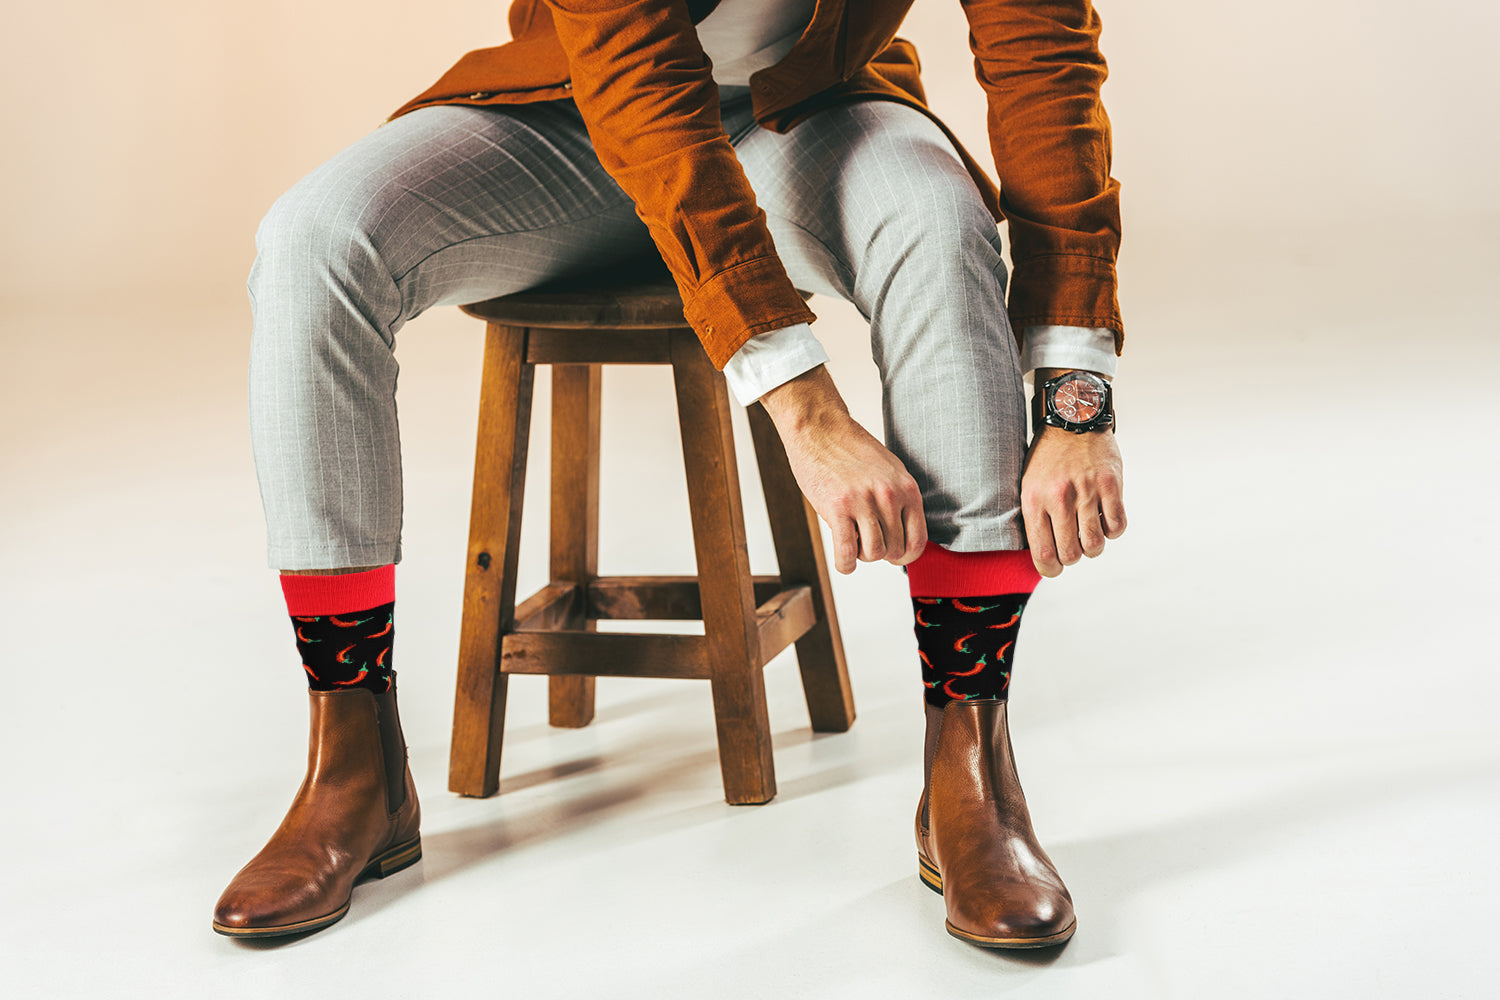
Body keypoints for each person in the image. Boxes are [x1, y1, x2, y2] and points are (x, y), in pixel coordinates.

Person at [212, 0, 1127, 950]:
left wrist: (1077, 395)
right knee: (313, 240)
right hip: (573, 114)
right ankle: (353, 761)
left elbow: (1042, 49)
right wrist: (804, 407)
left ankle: (971, 766)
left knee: (936, 221)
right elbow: (639, 81)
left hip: (804, 112)